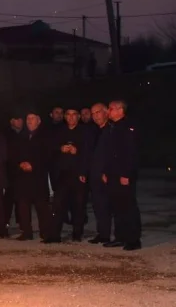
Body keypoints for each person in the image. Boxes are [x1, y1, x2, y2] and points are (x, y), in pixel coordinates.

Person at [103, 100, 141, 250]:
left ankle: (133, 240)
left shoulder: (128, 127)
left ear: (120, 111)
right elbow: (110, 153)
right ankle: (120, 237)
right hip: (113, 174)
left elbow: (130, 153)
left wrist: (126, 174)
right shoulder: (113, 127)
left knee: (128, 207)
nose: (108, 112)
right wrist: (106, 172)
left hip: (124, 174)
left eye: (111, 109)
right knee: (117, 207)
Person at [51, 108, 91, 241]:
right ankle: (55, 235)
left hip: (78, 174)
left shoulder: (85, 131)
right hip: (62, 174)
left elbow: (88, 153)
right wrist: (60, 148)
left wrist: (77, 151)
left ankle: (77, 233)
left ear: (78, 117)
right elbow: (50, 148)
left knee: (78, 205)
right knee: (58, 204)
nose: (71, 117)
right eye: (68, 115)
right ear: (65, 117)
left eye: (74, 115)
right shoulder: (59, 131)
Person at [14, 112, 54, 242]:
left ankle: (46, 233)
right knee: (23, 206)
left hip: (38, 177)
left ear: (39, 121)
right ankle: (27, 232)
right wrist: (21, 163)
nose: (29, 121)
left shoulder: (46, 136)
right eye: (28, 119)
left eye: (32, 118)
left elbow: (48, 156)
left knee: (42, 206)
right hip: (23, 177)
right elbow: (15, 153)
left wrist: (34, 165)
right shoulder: (22, 136)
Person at [87, 103, 114, 244]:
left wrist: (106, 171)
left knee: (108, 205)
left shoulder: (111, 130)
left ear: (106, 113)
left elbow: (113, 155)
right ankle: (102, 233)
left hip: (106, 174)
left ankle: (112, 235)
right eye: (93, 113)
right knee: (98, 205)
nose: (95, 116)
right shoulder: (94, 131)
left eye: (98, 112)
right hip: (94, 174)